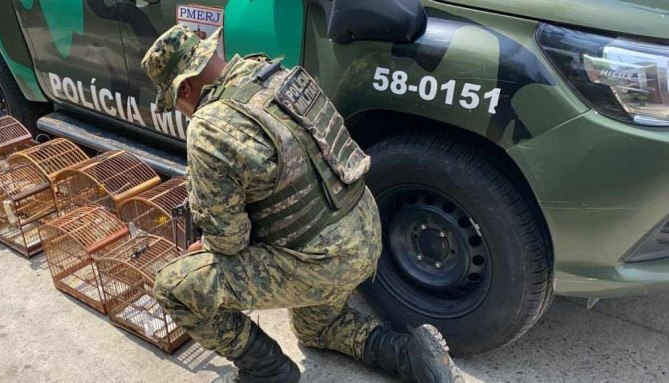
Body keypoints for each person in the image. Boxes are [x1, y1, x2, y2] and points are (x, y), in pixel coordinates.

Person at [142, 25, 463, 383]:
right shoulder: (270, 73)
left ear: (184, 87)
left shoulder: (209, 126)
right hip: (364, 230)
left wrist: (207, 249)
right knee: (316, 329)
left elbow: (230, 241)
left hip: (322, 258)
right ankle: (409, 354)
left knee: (175, 287)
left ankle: (267, 371)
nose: (182, 111)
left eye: (175, 102)